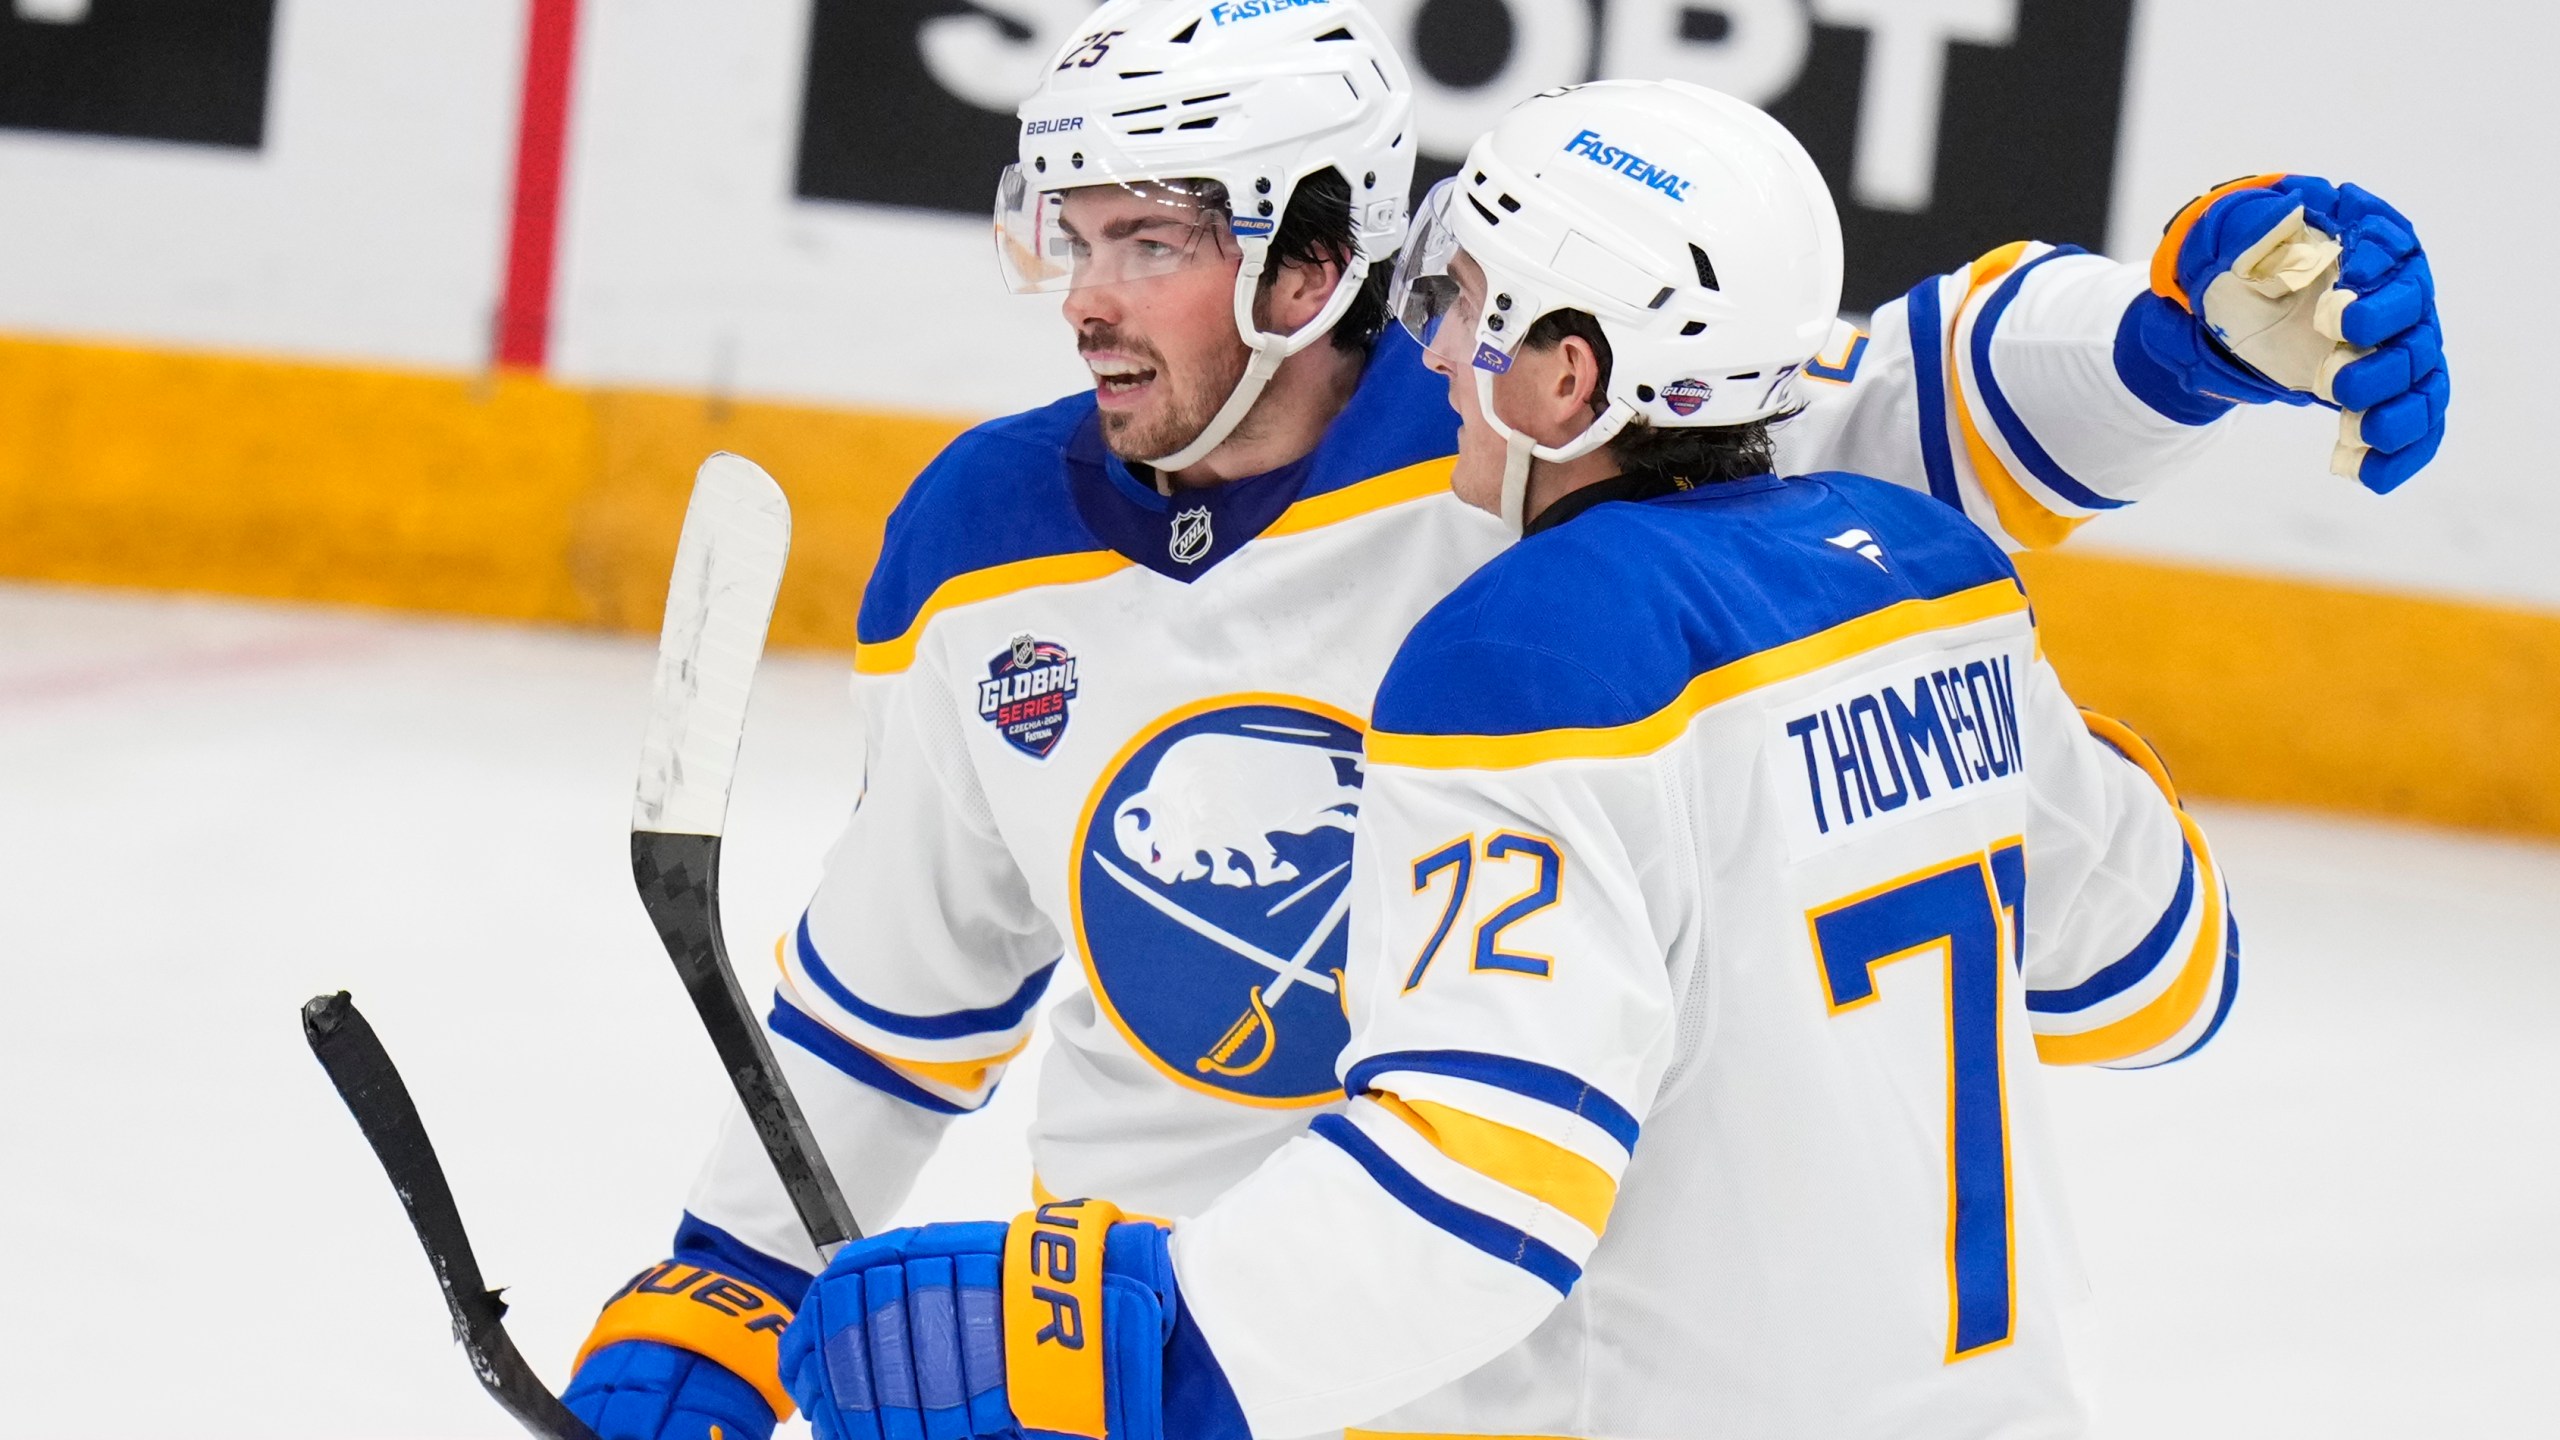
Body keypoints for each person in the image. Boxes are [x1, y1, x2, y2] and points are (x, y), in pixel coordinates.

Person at [558, 2, 2449, 1435]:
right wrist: (730, 1275)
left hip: (1460, 1350)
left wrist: (2164, 351)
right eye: (1072, 234)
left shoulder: (1542, 474)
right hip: (1150, 1347)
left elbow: (1902, 383)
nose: (1086, 301)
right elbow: (906, 979)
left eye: (1151, 243)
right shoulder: (981, 541)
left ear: (1307, 262)